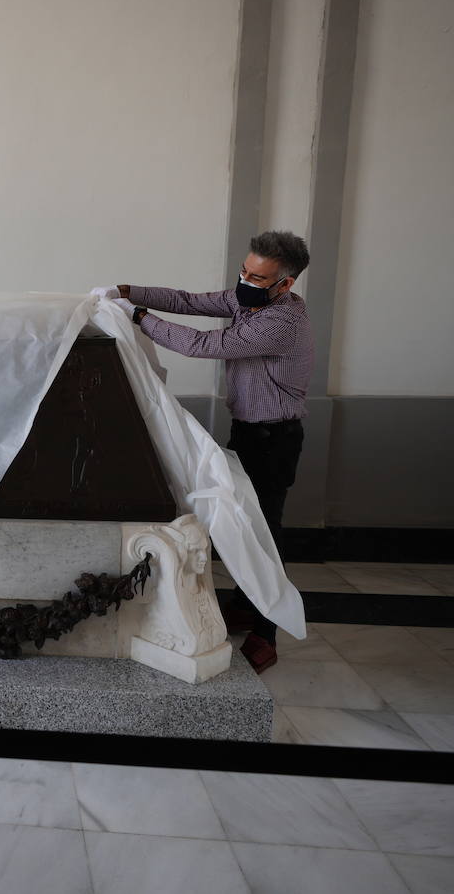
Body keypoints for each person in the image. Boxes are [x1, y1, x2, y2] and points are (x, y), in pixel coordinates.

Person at [114, 230, 315, 673]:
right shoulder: (250, 301)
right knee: (244, 519)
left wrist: (138, 316)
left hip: (275, 440)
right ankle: (248, 604)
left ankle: (267, 630)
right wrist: (126, 291)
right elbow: (189, 301)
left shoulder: (281, 323)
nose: (245, 280)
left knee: (264, 531)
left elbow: (203, 345)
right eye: (244, 270)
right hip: (249, 432)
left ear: (285, 284)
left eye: (257, 276)